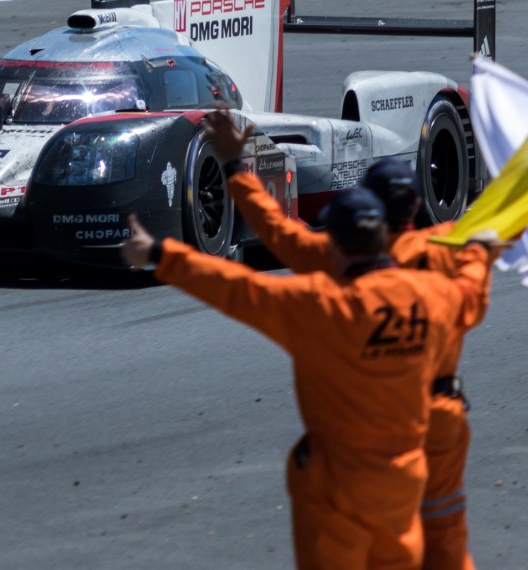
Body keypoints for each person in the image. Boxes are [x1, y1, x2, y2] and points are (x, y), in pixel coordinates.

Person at [121, 188, 496, 570]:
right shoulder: (432, 296)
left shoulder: (319, 306)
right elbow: (470, 290)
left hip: (337, 480)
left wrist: (160, 254)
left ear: (333, 246)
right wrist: (478, 252)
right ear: (383, 240)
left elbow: (236, 288)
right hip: (403, 476)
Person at [201, 105, 485, 570]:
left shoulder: (337, 256)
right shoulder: (452, 249)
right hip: (443, 414)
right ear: (416, 206)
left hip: (375, 428)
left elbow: (277, 234)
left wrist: (238, 165)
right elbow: (497, 242)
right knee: (446, 528)